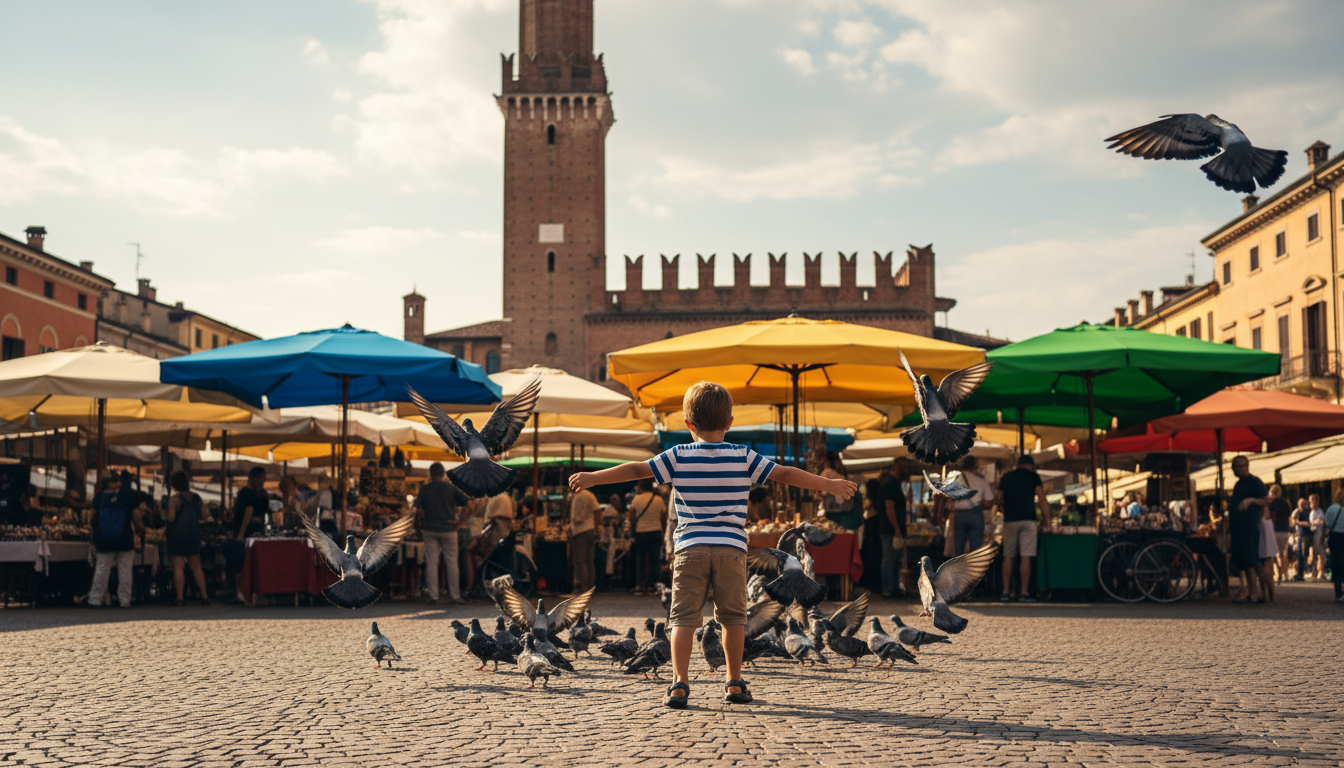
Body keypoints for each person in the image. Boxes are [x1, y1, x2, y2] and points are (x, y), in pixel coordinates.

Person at [568, 380, 855, 709]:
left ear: (688, 424)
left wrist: (593, 477)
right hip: (732, 549)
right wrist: (828, 484)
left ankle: (679, 684)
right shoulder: (743, 455)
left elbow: (637, 469)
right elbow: (786, 475)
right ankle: (733, 682)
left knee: (682, 620)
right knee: (734, 619)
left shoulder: (677, 456)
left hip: (690, 549)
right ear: (730, 423)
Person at [416, 462, 471, 605]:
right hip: (449, 528)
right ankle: (455, 595)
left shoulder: (425, 489)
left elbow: (418, 512)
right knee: (452, 562)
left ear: (430, 474)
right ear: (443, 473)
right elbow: (467, 504)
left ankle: (434, 596)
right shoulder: (451, 488)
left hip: (430, 528)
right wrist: (460, 522)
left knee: (431, 563)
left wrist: (418, 528)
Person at [996, 454, 1049, 602]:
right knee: (1026, 555)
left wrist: (1002, 507)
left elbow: (998, 498)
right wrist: (1047, 520)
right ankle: (1024, 593)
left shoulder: (1006, 477)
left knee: (1008, 555)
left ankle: (1006, 592)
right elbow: (1042, 499)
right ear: (1030, 465)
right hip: (1028, 519)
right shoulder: (1034, 477)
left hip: (1010, 520)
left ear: (1018, 464)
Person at [87, 471, 142, 608]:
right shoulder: (129, 495)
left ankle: (95, 599)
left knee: (102, 569)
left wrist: (94, 530)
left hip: (104, 539)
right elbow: (136, 516)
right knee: (125, 570)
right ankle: (125, 600)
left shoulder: (99, 497)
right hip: (125, 537)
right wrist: (140, 529)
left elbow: (93, 517)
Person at [165, 471, 210, 606]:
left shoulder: (174, 499)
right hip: (193, 535)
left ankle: (179, 598)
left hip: (177, 536)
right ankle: (204, 596)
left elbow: (171, 518)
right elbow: (205, 514)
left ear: (174, 484)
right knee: (196, 567)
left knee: (178, 567)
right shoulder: (197, 498)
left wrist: (166, 515)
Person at [1228, 455, 1269, 602]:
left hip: (1248, 526)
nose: (1236, 469)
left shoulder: (1254, 482)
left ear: (1246, 466)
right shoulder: (1238, 484)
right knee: (1244, 562)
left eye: (1239, 466)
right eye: (1234, 467)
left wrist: (1251, 500)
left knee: (1250, 560)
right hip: (1238, 527)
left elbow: (1267, 498)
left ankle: (1256, 594)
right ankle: (1256, 593)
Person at [878, 461, 911, 599]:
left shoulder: (893, 482)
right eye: (905, 468)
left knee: (895, 558)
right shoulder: (891, 483)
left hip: (892, 527)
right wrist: (896, 528)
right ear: (898, 467)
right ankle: (888, 588)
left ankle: (893, 587)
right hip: (890, 528)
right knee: (890, 558)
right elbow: (889, 507)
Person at [629, 478, 667, 595]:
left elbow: (631, 517)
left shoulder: (636, 499)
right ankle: (652, 585)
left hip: (641, 532)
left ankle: (641, 585)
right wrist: (663, 531)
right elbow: (663, 518)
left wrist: (633, 529)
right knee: (654, 560)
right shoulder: (658, 500)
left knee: (640, 559)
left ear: (640, 487)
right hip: (656, 531)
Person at [949, 456, 994, 556]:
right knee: (976, 549)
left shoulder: (956, 480)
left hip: (960, 514)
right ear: (974, 466)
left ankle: (960, 570)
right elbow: (989, 502)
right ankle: (974, 571)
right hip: (976, 513)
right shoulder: (981, 480)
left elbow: (949, 498)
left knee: (959, 548)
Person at [569, 480, 601, 593]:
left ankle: (583, 587)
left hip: (580, 531)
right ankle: (590, 585)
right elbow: (597, 511)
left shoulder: (578, 497)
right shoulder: (589, 495)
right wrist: (597, 528)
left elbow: (597, 511)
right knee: (589, 560)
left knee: (581, 560)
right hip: (590, 529)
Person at [820, 452, 861, 531]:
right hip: (846, 513)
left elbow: (821, 491)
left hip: (834, 513)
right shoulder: (842, 476)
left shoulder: (827, 472)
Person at [234, 467, 268, 541]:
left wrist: (240, 534)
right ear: (252, 478)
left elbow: (249, 511)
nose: (262, 482)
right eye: (260, 478)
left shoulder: (261, 494)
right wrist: (241, 534)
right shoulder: (246, 492)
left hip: (252, 532)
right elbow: (248, 512)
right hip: (249, 532)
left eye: (263, 479)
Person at [1267, 484, 1292, 583]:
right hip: (1285, 530)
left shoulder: (1271, 503)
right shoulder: (1285, 502)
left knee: (1273, 553)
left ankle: (1277, 574)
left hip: (1274, 529)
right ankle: (1284, 573)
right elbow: (1289, 515)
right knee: (1282, 553)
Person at [1323, 491, 1344, 603]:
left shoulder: (1332, 508)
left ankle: (1338, 593)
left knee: (1337, 564)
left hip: (1335, 537)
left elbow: (1328, 523)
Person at [1257, 502, 1277, 602]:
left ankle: (1267, 595)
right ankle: (1268, 595)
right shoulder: (1268, 523)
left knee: (1265, 574)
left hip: (1264, 551)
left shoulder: (1263, 523)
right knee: (1267, 574)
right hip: (1267, 551)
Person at [1290, 497, 1312, 581]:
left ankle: (1302, 572)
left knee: (1303, 554)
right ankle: (1299, 573)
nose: (1301, 506)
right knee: (1299, 554)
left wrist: (1299, 522)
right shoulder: (1298, 513)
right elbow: (1292, 522)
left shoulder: (1308, 512)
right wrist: (1295, 513)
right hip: (1299, 535)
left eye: (1302, 504)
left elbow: (1308, 523)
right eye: (1299, 504)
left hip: (1305, 535)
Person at [1308, 494, 1326, 580]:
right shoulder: (1310, 512)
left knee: (1320, 554)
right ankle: (1313, 571)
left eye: (1314, 501)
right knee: (1313, 554)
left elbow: (1321, 522)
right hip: (1312, 536)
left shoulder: (1320, 512)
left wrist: (1316, 522)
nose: (1312, 503)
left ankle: (1320, 571)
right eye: (1311, 501)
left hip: (1318, 535)